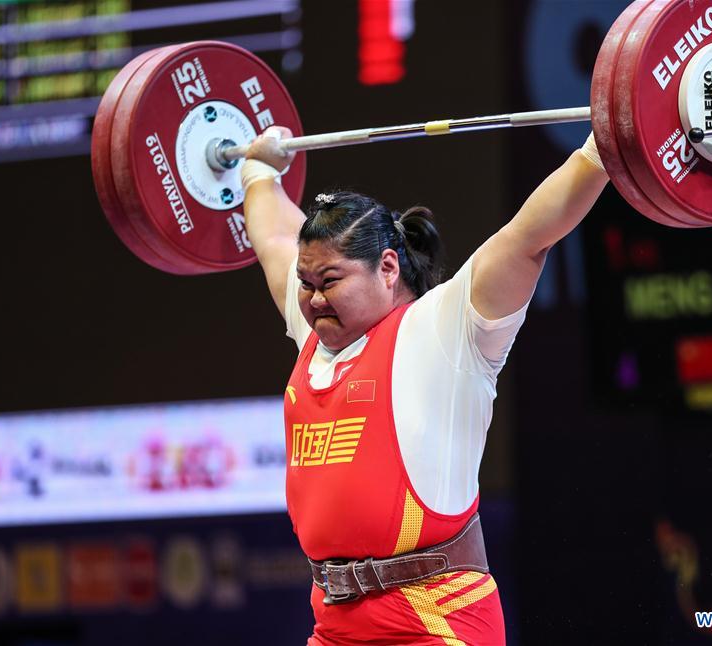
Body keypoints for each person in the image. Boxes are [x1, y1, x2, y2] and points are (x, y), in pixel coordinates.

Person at [242, 125, 609, 645]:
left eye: (330, 283)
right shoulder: (315, 334)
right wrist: (259, 172)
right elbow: (276, 239)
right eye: (306, 284)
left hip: (436, 618)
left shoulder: (446, 330)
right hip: (335, 624)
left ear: (387, 267)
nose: (314, 297)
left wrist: (602, 150)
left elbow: (529, 237)